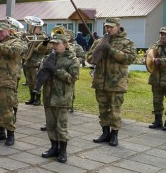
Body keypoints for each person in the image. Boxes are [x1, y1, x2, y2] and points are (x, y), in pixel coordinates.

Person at [86, 17, 136, 147]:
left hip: (116, 83)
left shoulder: (127, 42)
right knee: (102, 109)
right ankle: (105, 133)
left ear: (118, 26)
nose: (108, 29)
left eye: (111, 27)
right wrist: (99, 50)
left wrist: (110, 49)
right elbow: (90, 58)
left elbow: (129, 59)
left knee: (115, 110)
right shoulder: (99, 41)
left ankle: (114, 135)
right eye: (106, 27)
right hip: (100, 81)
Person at [39, 33, 80, 163]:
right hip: (48, 96)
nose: (54, 46)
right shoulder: (50, 57)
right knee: (50, 125)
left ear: (65, 44)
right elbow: (42, 72)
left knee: (61, 126)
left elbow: (72, 78)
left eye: (57, 44)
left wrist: (56, 70)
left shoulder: (72, 59)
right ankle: (53, 147)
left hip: (62, 97)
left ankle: (63, 151)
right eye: (53, 44)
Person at [24, 25, 50, 106]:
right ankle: (32, 98)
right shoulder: (30, 36)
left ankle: (38, 99)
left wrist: (34, 48)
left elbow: (44, 50)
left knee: (36, 81)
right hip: (28, 62)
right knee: (30, 81)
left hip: (36, 62)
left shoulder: (43, 37)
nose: (33, 29)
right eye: (33, 28)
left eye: (36, 28)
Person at [147, 27, 166, 130]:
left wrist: (161, 61)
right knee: (157, 100)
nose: (163, 36)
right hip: (156, 79)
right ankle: (158, 121)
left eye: (165, 34)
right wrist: (147, 60)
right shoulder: (155, 45)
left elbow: (161, 60)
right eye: (161, 34)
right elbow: (148, 55)